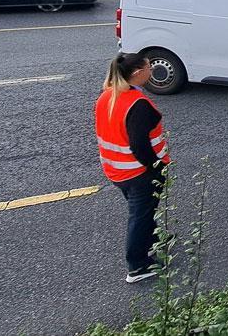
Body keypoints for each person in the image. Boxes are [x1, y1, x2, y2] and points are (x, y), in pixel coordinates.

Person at [94, 52, 170, 283]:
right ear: (137, 73)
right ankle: (137, 266)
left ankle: (155, 238)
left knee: (144, 212)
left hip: (116, 170)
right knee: (140, 216)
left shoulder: (108, 95)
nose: (151, 70)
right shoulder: (138, 106)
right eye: (148, 67)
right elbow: (140, 146)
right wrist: (156, 167)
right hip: (138, 173)